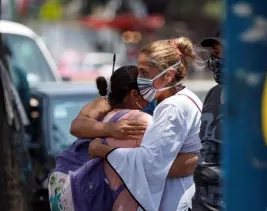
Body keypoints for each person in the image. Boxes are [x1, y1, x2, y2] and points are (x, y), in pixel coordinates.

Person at [74, 37, 203, 211]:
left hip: (175, 199)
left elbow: (150, 164)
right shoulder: (183, 98)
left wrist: (103, 151)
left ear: (169, 75)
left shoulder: (172, 107)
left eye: (144, 73)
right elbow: (77, 125)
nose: (140, 79)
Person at [49, 65, 195, 211]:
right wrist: (112, 130)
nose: (149, 92)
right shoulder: (131, 115)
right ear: (134, 94)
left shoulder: (165, 104)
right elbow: (76, 126)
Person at [192, 31, 224, 211]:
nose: (216, 59)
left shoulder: (255, 99)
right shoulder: (214, 94)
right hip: (203, 203)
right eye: (215, 53)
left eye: (222, 52)